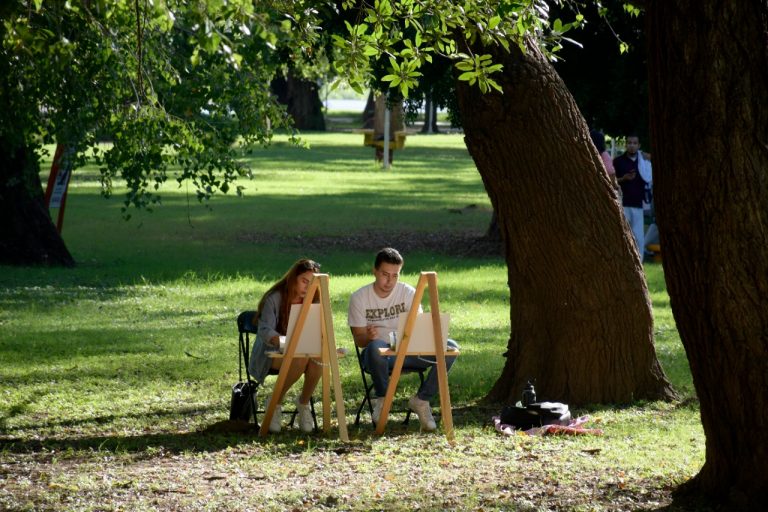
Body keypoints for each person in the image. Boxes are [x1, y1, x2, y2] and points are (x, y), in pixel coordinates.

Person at [348, 248, 458, 431]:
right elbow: (359, 340)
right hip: (379, 355)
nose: (389, 281)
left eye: (395, 275)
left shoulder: (407, 292)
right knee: (375, 347)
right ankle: (383, 398)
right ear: (375, 271)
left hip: (408, 350)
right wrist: (368, 336)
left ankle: (422, 400)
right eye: (384, 274)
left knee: (451, 348)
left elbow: (419, 326)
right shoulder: (360, 297)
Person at [248, 258, 322, 433]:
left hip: (303, 351)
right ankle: (275, 402)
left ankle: (303, 403)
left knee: (318, 357)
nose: (307, 286)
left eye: (312, 283)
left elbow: (318, 330)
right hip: (272, 353)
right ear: (293, 278)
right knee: (300, 357)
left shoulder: (315, 299)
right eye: (304, 281)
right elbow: (265, 330)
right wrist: (284, 341)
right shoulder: (275, 298)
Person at [613, 134, 652, 255]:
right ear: (625, 144)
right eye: (629, 143)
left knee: (638, 238)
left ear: (639, 145)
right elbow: (611, 181)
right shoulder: (618, 161)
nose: (632, 146)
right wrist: (623, 179)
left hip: (638, 204)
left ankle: (639, 264)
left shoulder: (643, 162)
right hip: (623, 204)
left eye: (635, 143)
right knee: (622, 235)